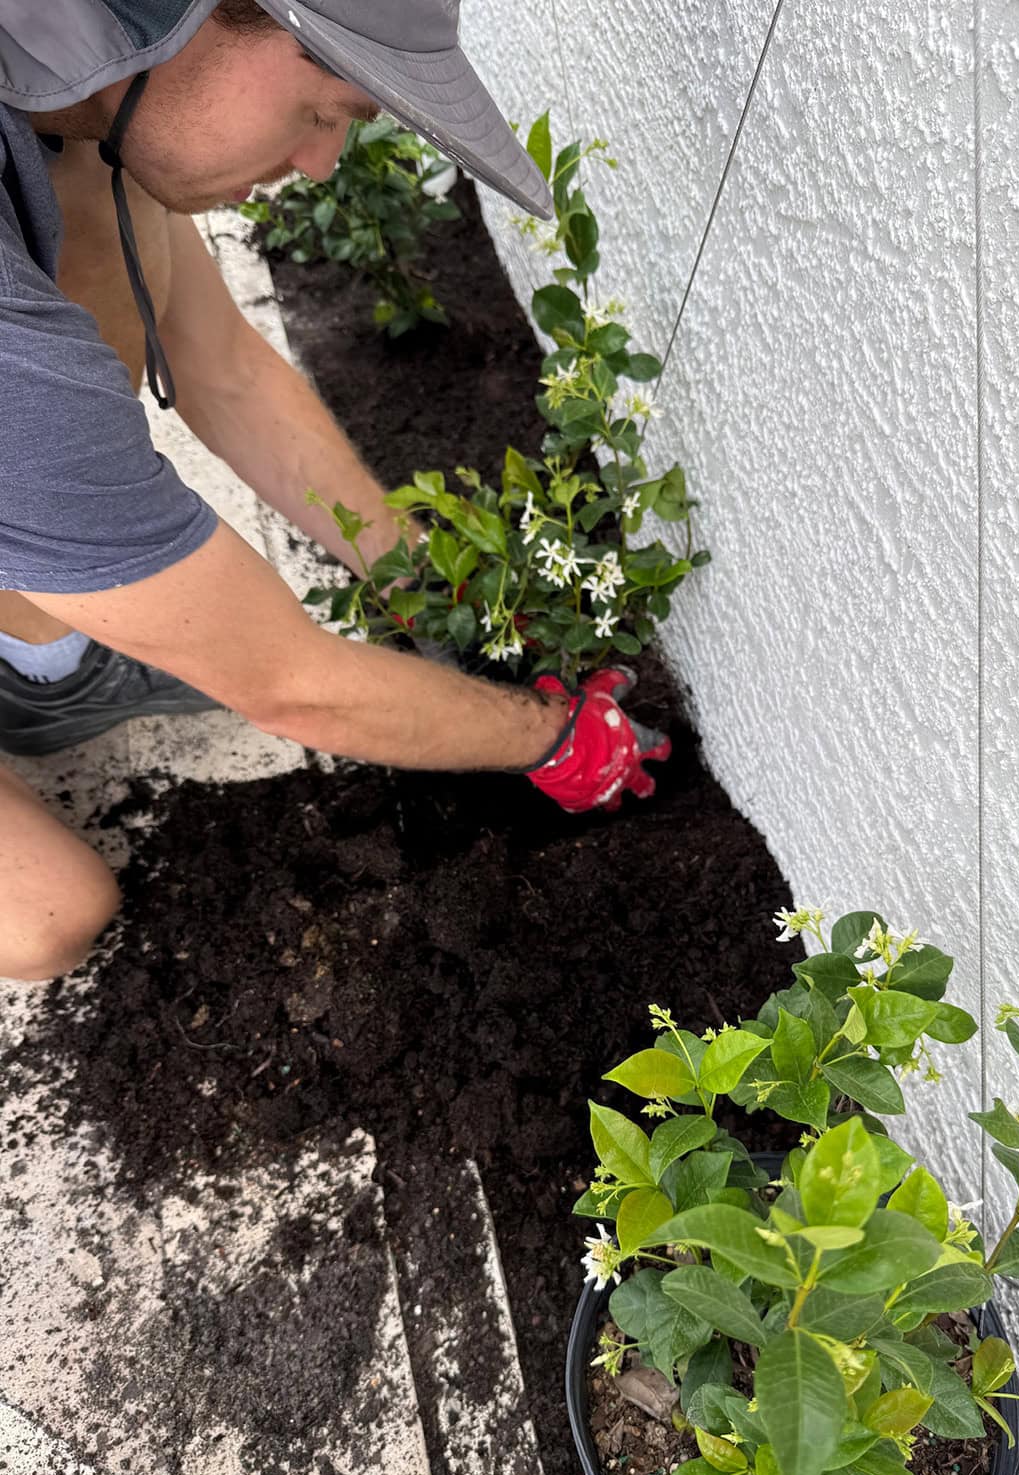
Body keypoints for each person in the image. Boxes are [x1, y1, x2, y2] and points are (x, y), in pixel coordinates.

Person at [0, 0, 670, 983]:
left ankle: (36, 646)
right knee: (50, 916)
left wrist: (418, 578)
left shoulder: (82, 82)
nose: (321, 163)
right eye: (331, 111)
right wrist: (554, 737)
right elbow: (284, 682)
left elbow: (223, 368)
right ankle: (40, 665)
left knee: (101, 221)